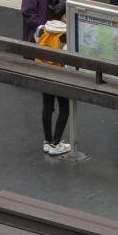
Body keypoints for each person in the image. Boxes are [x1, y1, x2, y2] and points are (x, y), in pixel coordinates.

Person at [34, 15, 72, 156]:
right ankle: (56, 144)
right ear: (63, 16)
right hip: (60, 76)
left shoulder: (44, 28)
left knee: (47, 107)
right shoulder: (66, 34)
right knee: (64, 109)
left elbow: (36, 41)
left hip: (44, 72)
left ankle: (47, 141)